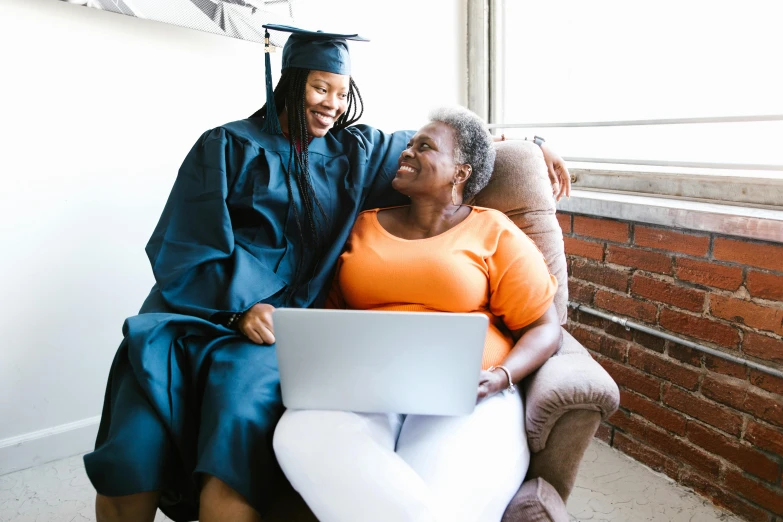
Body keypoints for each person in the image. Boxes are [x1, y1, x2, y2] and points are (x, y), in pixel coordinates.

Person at [83, 23, 571, 522]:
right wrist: (236, 312)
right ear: (291, 82)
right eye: (320, 87)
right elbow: (186, 244)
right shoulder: (226, 146)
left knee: (234, 438)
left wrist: (530, 144)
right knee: (134, 437)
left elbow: (458, 149)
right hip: (192, 312)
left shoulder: (353, 154)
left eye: (342, 93)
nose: (332, 104)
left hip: (278, 328)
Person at [272, 106, 563, 522]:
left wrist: (500, 378)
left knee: (435, 493)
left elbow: (543, 327)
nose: (406, 152)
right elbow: (328, 315)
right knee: (298, 434)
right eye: (408, 144)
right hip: (362, 389)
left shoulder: (493, 230)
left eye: (423, 146)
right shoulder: (361, 227)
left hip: (468, 397)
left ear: (460, 173)